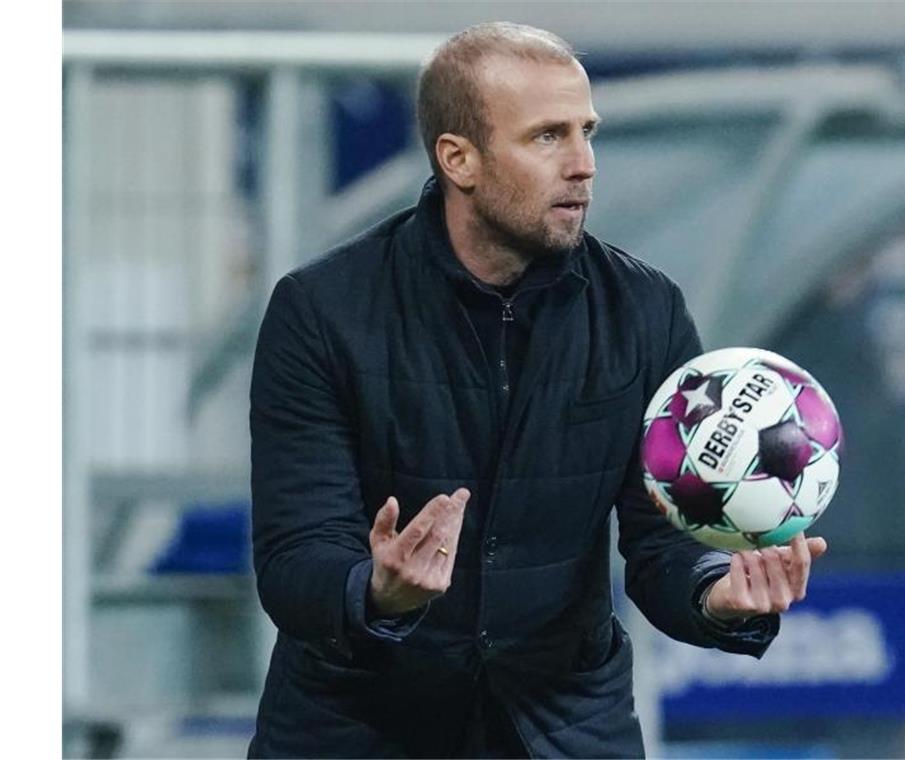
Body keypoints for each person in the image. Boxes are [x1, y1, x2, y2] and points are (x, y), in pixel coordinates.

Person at [248, 21, 827, 759]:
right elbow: (296, 558)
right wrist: (377, 589)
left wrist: (717, 593)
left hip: (565, 730)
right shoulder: (322, 311)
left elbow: (662, 542)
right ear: (458, 158)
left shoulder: (644, 311)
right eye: (548, 137)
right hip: (356, 733)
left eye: (588, 132)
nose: (584, 165)